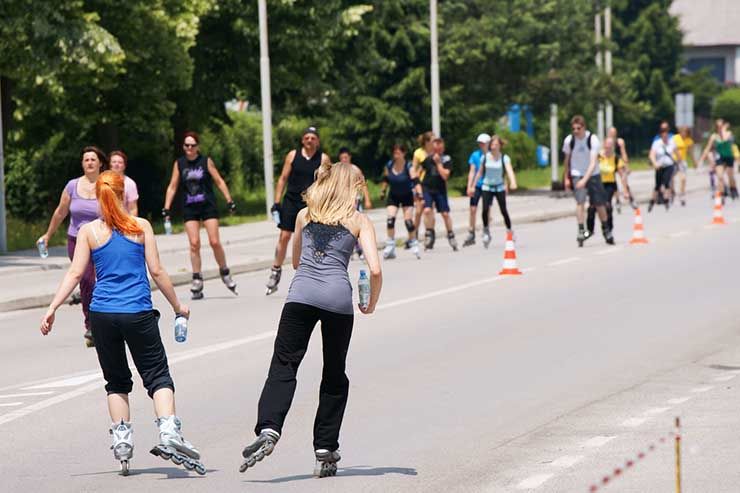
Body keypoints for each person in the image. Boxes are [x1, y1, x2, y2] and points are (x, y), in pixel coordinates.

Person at [40, 171, 205, 476]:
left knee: (116, 381)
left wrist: (52, 308)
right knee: (157, 376)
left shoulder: (90, 231)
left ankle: (122, 445)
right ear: (123, 195)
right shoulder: (140, 227)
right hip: (137, 312)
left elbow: (75, 274)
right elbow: (156, 271)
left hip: (102, 315)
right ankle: (168, 433)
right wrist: (178, 306)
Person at [240, 162, 382, 478]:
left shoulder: (305, 215)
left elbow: (294, 261)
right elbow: (374, 269)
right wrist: (370, 303)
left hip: (300, 296)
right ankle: (325, 448)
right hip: (337, 301)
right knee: (334, 373)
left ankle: (269, 427)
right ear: (353, 186)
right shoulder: (359, 220)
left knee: (284, 365)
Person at [38, 146, 107, 347]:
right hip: (77, 241)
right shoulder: (72, 186)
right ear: (82, 164)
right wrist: (48, 235)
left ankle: (106, 319)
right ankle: (91, 325)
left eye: (93, 159)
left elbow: (115, 212)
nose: (89, 163)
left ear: (100, 163)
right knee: (86, 280)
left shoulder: (105, 185)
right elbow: (60, 212)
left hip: (101, 240)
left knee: (102, 281)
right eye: (86, 160)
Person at [162, 131, 238, 300]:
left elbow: (219, 180)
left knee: (214, 241)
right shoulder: (179, 163)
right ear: (183, 147)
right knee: (194, 243)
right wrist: (166, 207)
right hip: (189, 207)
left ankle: (224, 270)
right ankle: (197, 277)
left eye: (192, 145)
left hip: (207, 206)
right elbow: (173, 186)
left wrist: (229, 200)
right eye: (186, 145)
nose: (189, 148)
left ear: (197, 147)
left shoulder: (205, 161)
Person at [266, 127, 331, 295]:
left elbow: (327, 183)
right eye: (307, 137)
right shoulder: (293, 155)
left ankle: (310, 274)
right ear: (303, 140)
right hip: (291, 200)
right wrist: (276, 202)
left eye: (313, 138)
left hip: (311, 203)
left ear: (317, 141)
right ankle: (276, 269)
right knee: (285, 236)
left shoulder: (323, 158)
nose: (310, 140)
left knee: (309, 238)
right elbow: (282, 178)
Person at [562, 115, 614, 247]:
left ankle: (606, 230)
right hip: (576, 174)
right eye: (573, 128)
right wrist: (566, 178)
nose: (575, 131)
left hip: (593, 174)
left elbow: (593, 162)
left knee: (599, 204)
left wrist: (585, 180)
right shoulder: (569, 140)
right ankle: (581, 230)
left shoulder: (592, 139)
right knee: (580, 202)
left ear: (584, 127)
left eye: (578, 128)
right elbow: (567, 160)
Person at [473, 135, 517, 248]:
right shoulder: (485, 157)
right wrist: (473, 185)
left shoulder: (504, 158)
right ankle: (486, 230)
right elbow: (479, 173)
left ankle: (509, 230)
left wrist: (512, 182)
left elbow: (509, 170)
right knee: (485, 209)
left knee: (503, 210)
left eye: (496, 145)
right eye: (492, 145)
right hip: (487, 186)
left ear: (500, 146)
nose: (493, 147)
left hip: (499, 186)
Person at [379, 144, 421, 259]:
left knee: (408, 222)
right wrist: (383, 191)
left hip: (407, 195)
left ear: (403, 153)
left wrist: (419, 193)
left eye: (398, 153)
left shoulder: (409, 166)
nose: (396, 155)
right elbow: (386, 179)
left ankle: (414, 243)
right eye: (394, 153)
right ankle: (390, 246)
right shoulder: (389, 165)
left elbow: (416, 180)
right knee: (390, 220)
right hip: (393, 196)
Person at [421, 137, 458, 251]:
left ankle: (450, 234)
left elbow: (445, 176)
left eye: (440, 146)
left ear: (443, 147)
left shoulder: (446, 159)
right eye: (435, 146)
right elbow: (420, 172)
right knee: (427, 210)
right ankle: (429, 234)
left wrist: (438, 163)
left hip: (440, 190)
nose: (437, 149)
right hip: (427, 188)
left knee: (445, 214)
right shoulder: (428, 159)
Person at [337, 147, 373, 259]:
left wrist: (367, 199)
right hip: (342, 202)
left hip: (355, 201)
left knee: (357, 225)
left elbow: (363, 185)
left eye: (346, 157)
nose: (344, 159)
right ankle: (350, 249)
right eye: (342, 158)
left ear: (349, 157)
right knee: (345, 226)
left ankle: (360, 248)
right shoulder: (337, 170)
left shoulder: (355, 169)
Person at [586, 137, 623, 236]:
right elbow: (590, 166)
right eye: (607, 145)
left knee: (607, 206)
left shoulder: (616, 158)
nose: (608, 147)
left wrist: (625, 190)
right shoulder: (598, 156)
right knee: (592, 207)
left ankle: (608, 229)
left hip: (609, 184)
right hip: (597, 183)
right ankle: (589, 230)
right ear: (604, 145)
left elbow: (621, 174)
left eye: (611, 145)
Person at [699, 119, 738, 202]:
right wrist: (701, 160)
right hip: (720, 157)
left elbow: (726, 139)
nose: (719, 128)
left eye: (721, 126)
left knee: (730, 175)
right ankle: (722, 194)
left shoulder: (728, 134)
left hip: (728, 157)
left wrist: (724, 130)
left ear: (723, 126)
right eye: (718, 127)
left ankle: (733, 188)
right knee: (720, 176)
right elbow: (707, 148)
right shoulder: (714, 136)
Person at [464, 133, 491, 247]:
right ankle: (471, 231)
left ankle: (486, 228)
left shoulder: (492, 156)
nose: (481, 145)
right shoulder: (475, 155)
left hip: (488, 185)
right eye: (480, 143)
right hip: (477, 185)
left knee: (486, 208)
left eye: (483, 143)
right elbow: (472, 171)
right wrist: (469, 186)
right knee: (473, 208)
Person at [648, 122, 678, 212]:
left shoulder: (672, 141)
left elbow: (677, 154)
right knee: (657, 185)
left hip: (669, 165)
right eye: (663, 131)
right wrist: (655, 163)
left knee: (667, 183)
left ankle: (666, 200)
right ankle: (652, 201)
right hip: (659, 166)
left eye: (666, 131)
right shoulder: (657, 142)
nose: (665, 134)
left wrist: (678, 162)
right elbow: (652, 154)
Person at [607, 126, 635, 211]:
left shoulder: (620, 142)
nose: (613, 135)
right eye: (611, 133)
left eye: (614, 133)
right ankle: (617, 200)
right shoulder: (607, 142)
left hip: (619, 162)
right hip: (610, 163)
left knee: (624, 178)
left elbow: (623, 153)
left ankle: (630, 197)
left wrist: (627, 165)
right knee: (612, 182)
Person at [411, 131, 434, 234]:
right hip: (420, 184)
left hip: (431, 185)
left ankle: (429, 234)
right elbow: (413, 169)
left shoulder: (435, 152)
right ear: (427, 141)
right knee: (419, 211)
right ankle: (414, 233)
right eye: (433, 140)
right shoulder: (418, 153)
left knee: (429, 210)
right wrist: (415, 184)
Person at [109, 150, 139, 215]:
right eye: (114, 162)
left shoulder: (130, 184)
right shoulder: (103, 181)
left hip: (123, 221)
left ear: (124, 166)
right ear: (110, 165)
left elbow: (133, 209)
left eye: (120, 162)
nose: (116, 164)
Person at [672, 126, 694, 206]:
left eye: (686, 132)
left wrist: (694, 162)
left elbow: (691, 152)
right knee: (671, 178)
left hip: (682, 162)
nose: (684, 134)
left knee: (683, 179)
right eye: (683, 132)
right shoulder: (675, 138)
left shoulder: (689, 141)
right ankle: (672, 193)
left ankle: (682, 195)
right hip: (673, 161)